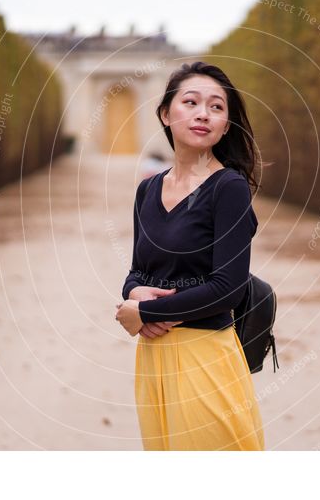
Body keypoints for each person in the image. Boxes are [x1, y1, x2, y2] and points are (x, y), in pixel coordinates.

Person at [115, 61, 264, 451]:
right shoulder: (147, 191)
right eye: (191, 102)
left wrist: (146, 314)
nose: (203, 113)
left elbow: (227, 288)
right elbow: (138, 271)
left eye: (217, 107)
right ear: (166, 113)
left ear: (227, 125)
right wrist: (134, 295)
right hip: (153, 359)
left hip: (205, 355)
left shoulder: (228, 188)